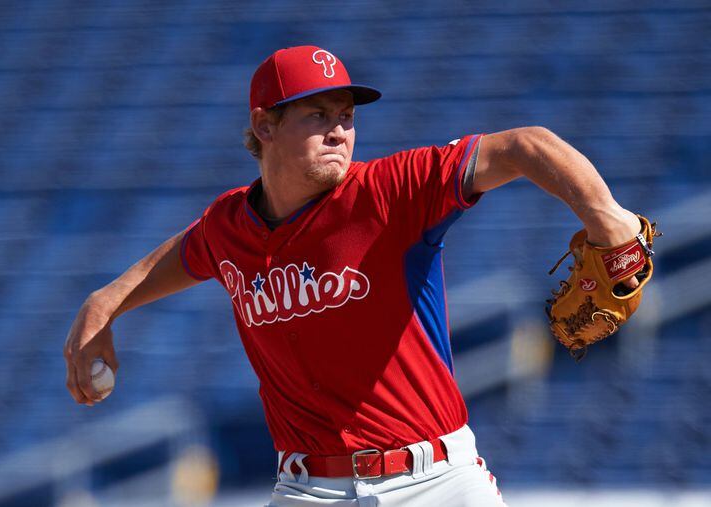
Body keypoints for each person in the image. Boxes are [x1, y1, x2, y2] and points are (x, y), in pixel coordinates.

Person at [64, 45, 641, 506]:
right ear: (264, 126)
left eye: (346, 116)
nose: (339, 130)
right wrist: (104, 302)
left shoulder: (392, 190)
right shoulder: (228, 225)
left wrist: (607, 219)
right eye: (318, 115)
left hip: (435, 481)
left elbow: (524, 145)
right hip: (307, 488)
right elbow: (189, 251)